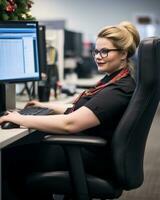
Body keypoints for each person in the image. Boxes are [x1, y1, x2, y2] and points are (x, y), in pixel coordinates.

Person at [0, 21, 140, 200]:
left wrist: (20, 119)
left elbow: (70, 124)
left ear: (123, 54)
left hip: (90, 157)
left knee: (9, 157)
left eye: (105, 51)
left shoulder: (119, 89)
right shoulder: (114, 80)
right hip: (88, 149)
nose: (98, 56)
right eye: (96, 51)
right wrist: (45, 106)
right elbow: (83, 110)